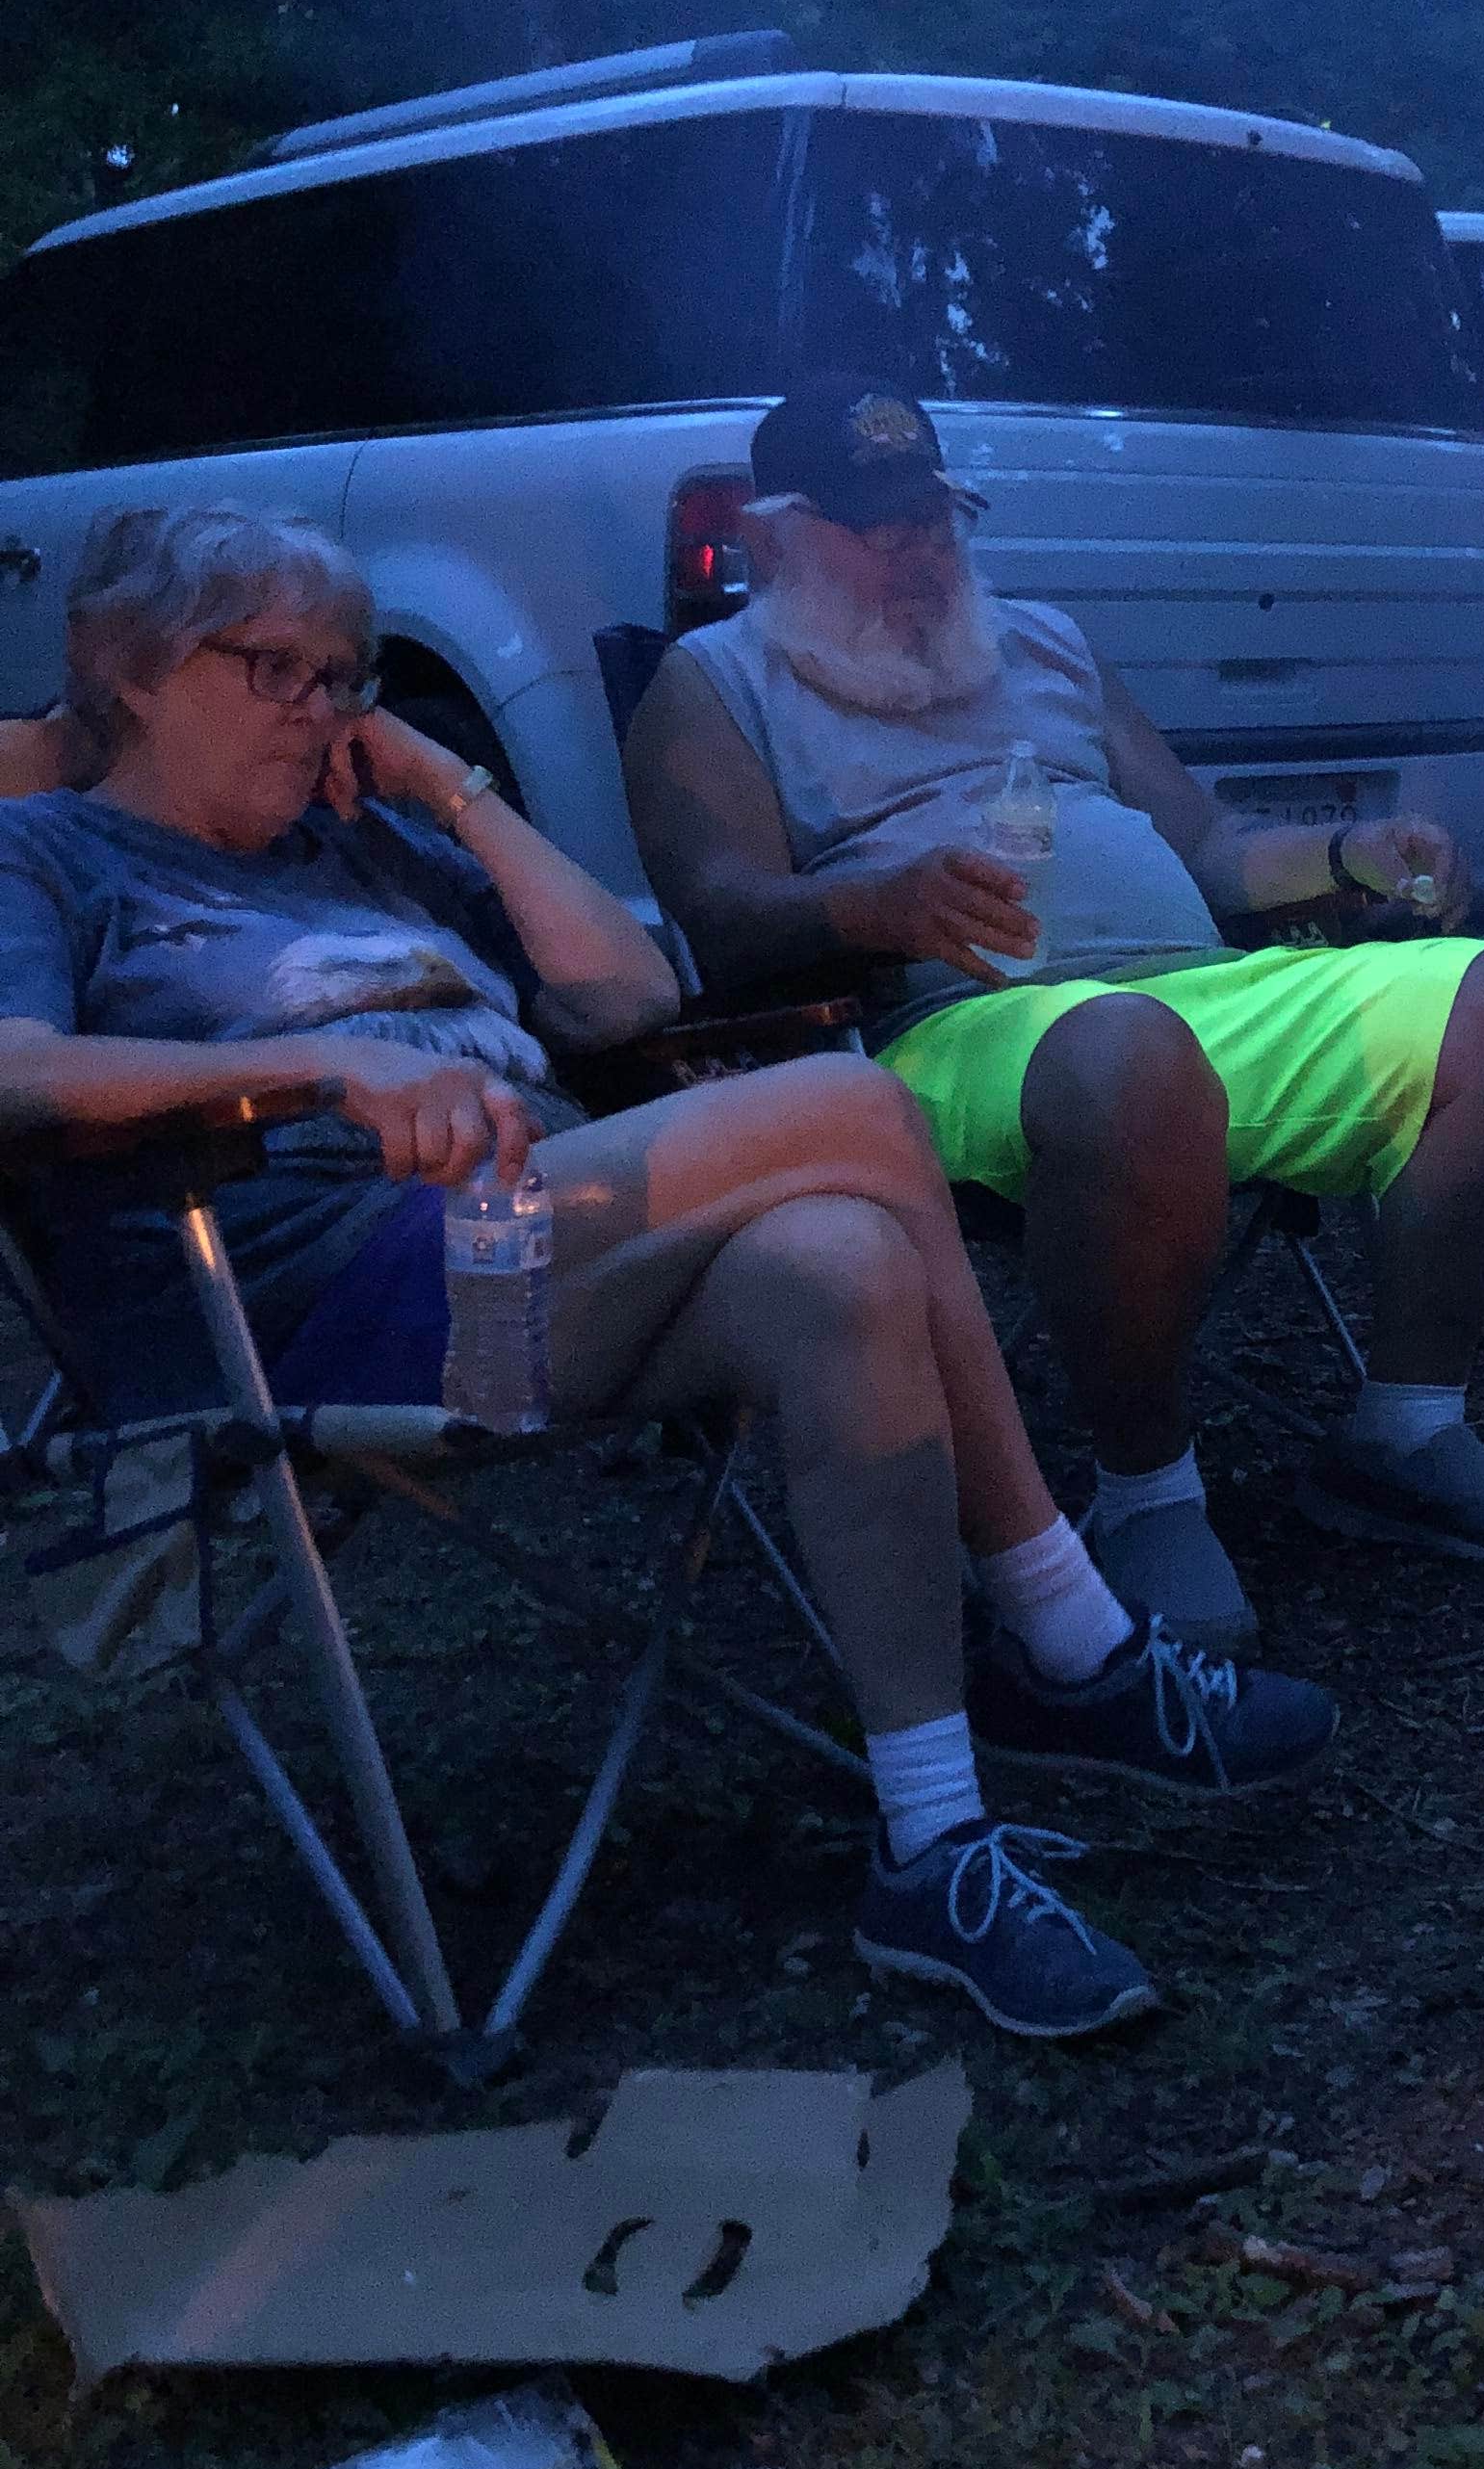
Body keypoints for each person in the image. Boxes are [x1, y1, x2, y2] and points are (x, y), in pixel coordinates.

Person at [0, 500, 1340, 2040]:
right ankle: (1075, 1634)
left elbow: (628, 993)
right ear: (129, 666)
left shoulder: (362, 847)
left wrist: (449, 787)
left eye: (346, 678)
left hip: (525, 1288)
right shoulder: (46, 853)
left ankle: (935, 1840)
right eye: (274, 670)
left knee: (838, 1264)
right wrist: (320, 1065)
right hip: (321, 1322)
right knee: (854, 1107)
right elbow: (13, 1073)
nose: (320, 711)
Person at [625, 375, 1484, 1655]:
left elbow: (1207, 845)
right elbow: (716, 908)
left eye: (933, 519)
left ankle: (1406, 1431)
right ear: (779, 535)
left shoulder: (1043, 642)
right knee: (1129, 1057)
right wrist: (874, 907)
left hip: (1190, 992)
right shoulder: (715, 680)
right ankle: (1143, 1491)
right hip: (957, 1025)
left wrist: (1354, 849)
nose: (916, 551)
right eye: (876, 528)